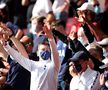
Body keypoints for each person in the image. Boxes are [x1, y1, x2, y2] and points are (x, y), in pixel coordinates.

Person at [0, 23, 60, 90]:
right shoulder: (33, 65)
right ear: (37, 52)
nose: (45, 51)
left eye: (47, 50)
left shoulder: (54, 65)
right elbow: (18, 57)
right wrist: (6, 45)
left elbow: (55, 53)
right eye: (42, 49)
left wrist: (51, 39)